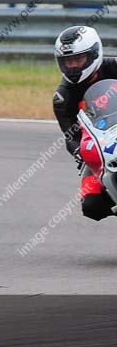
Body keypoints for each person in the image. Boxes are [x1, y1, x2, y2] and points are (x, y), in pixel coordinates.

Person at [52, 25, 117, 220]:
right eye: (67, 61)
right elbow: (71, 137)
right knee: (91, 204)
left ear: (94, 54)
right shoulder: (63, 98)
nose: (72, 66)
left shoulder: (115, 66)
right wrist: (80, 153)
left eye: (78, 59)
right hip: (102, 149)